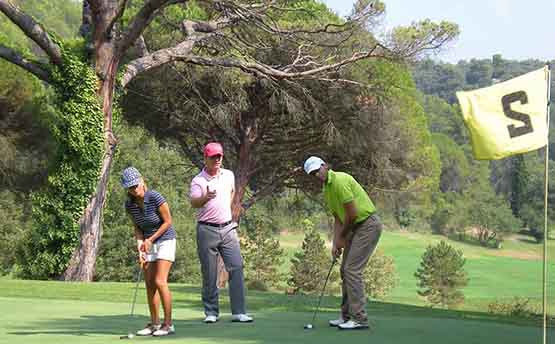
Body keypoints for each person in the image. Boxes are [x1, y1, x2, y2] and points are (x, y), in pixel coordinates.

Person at [303, 156, 383, 330]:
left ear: (324, 165)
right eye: (313, 174)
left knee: (352, 270)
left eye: (318, 170)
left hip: (367, 224)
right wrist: (335, 242)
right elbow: (338, 218)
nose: (317, 175)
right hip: (355, 226)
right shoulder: (327, 189)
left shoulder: (340, 180)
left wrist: (342, 237)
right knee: (344, 269)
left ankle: (359, 319)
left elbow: (353, 214)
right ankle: (346, 316)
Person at [190, 142, 253, 324]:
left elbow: (232, 194)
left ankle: (239, 312)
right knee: (210, 272)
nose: (217, 160)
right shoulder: (198, 180)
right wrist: (206, 198)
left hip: (227, 228)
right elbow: (194, 202)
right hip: (206, 229)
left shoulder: (229, 175)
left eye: (219, 156)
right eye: (213, 157)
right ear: (206, 158)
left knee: (237, 267)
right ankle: (211, 312)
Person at [121, 166, 177, 336]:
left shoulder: (155, 197)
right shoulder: (130, 204)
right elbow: (137, 227)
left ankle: (168, 325)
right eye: (130, 187)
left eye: (136, 185)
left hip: (165, 239)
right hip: (147, 242)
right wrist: (140, 248)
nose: (134, 189)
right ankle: (154, 323)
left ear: (142, 181)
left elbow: (168, 221)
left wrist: (151, 240)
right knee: (150, 284)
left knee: (160, 281)